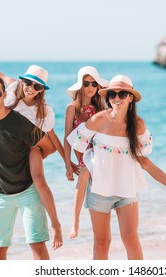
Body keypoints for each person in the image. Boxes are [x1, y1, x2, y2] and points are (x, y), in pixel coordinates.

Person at [67, 75, 166, 259]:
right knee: (102, 242)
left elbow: (145, 162)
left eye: (122, 94)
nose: (116, 98)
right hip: (99, 190)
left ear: (130, 97)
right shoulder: (99, 119)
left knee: (131, 239)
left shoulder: (137, 124)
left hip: (126, 189)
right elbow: (77, 145)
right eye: (112, 94)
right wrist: (87, 166)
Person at [0, 74, 61, 259]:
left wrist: (32, 156)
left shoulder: (21, 124)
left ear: (4, 94)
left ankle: (56, 226)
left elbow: (49, 147)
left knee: (37, 246)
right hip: (0, 195)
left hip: (27, 191)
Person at [63, 66, 109, 238]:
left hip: (101, 150)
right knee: (83, 176)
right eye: (86, 83)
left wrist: (106, 92)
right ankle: (75, 222)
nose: (90, 87)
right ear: (80, 86)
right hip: (84, 152)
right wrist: (67, 164)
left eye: (94, 84)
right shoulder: (72, 108)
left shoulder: (101, 106)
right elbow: (67, 137)